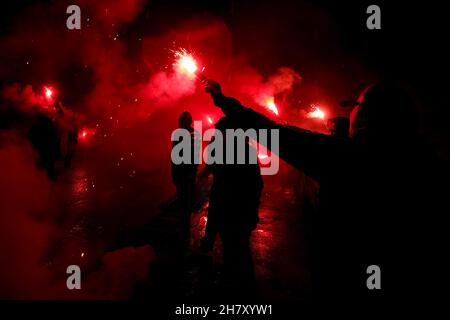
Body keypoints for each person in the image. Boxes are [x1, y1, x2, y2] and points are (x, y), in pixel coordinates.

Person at [203, 79, 445, 304]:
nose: (350, 114)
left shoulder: (349, 157)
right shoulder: (427, 163)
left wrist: (222, 99)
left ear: (369, 114)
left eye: (356, 106)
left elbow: (270, 131)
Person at [201, 116, 263, 295]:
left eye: (220, 131)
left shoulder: (241, 151)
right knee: (237, 247)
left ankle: (237, 288)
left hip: (235, 208)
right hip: (231, 206)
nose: (217, 133)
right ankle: (239, 284)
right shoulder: (235, 148)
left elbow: (255, 183)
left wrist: (252, 209)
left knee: (237, 247)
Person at [171, 111, 199, 249]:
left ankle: (184, 233)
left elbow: (175, 155)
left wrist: (174, 174)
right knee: (188, 201)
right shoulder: (195, 134)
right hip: (190, 172)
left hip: (182, 172)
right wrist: (194, 172)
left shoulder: (178, 134)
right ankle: (185, 230)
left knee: (183, 202)